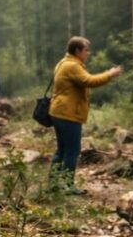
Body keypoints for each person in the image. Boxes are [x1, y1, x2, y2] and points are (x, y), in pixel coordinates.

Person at [48, 36, 123, 194]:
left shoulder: (64, 62)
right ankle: (68, 186)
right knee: (72, 151)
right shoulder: (72, 66)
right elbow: (90, 81)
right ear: (77, 51)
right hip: (68, 113)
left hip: (59, 111)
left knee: (62, 150)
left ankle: (53, 184)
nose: (88, 53)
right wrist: (109, 74)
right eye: (86, 50)